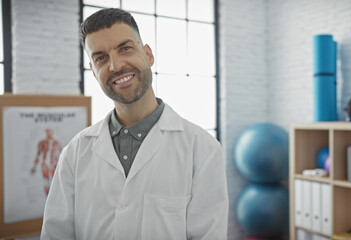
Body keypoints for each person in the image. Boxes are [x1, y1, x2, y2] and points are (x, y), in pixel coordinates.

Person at [41, 8, 228, 240]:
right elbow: (55, 235)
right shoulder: (75, 153)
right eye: (101, 58)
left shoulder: (203, 150)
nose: (116, 66)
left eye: (125, 49)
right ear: (94, 70)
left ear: (148, 54)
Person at [31, 128, 61, 196]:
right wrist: (34, 167)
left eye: (50, 132)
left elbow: (61, 154)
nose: (49, 133)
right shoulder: (42, 143)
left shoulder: (56, 143)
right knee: (46, 181)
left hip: (54, 164)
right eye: (48, 132)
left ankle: (53, 199)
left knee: (55, 182)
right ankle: (47, 199)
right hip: (45, 164)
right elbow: (38, 155)